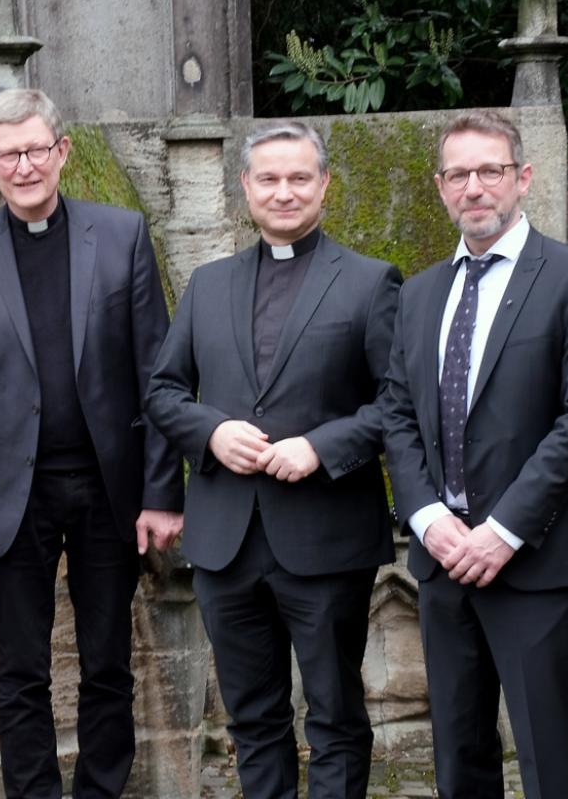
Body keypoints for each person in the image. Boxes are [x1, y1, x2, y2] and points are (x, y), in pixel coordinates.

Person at [0, 87, 184, 799]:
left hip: (109, 489)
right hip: (12, 495)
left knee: (108, 664)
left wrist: (162, 492)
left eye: (37, 149)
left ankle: (100, 792)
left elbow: (155, 377)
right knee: (20, 671)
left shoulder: (123, 234)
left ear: (62, 152)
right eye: (7, 154)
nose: (24, 165)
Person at [144, 121, 401, 798]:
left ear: (323, 185)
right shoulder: (208, 284)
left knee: (336, 718)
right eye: (268, 179)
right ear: (245, 188)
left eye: (298, 179)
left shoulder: (372, 283)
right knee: (252, 719)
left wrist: (322, 446)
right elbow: (163, 392)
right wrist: (212, 434)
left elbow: (397, 404)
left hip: (325, 538)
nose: (283, 192)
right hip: (226, 540)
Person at [377, 109, 568, 799]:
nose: (474, 187)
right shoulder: (422, 294)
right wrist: (426, 517)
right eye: (458, 174)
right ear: (440, 187)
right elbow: (396, 415)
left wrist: (502, 531)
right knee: (459, 759)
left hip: (534, 561)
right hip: (443, 560)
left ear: (522, 178)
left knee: (549, 762)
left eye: (490, 171)